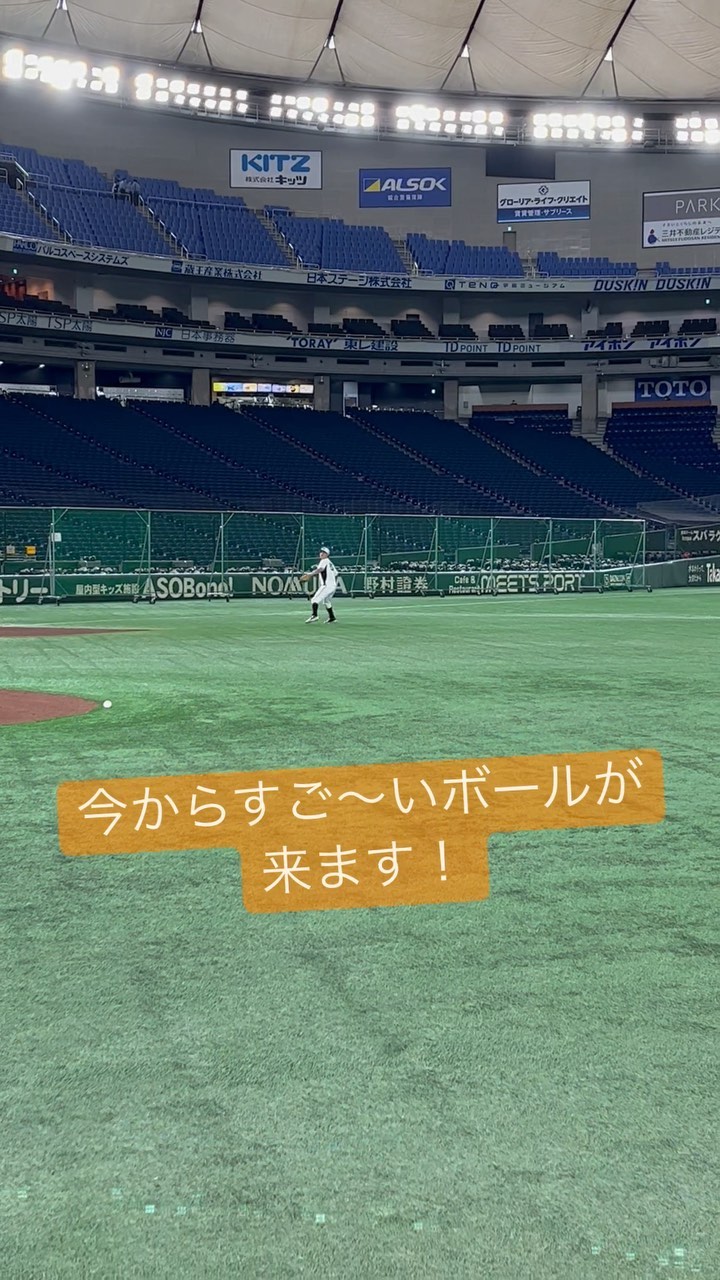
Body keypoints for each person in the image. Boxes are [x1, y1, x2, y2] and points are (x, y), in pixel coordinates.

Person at [301, 547, 337, 624]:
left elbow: (320, 569)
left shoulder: (324, 560)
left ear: (327, 554)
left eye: (324, 552)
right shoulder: (330, 563)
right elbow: (336, 573)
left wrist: (310, 574)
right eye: (321, 552)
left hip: (327, 585)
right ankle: (332, 617)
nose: (321, 554)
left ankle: (314, 615)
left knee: (314, 599)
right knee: (326, 601)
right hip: (332, 585)